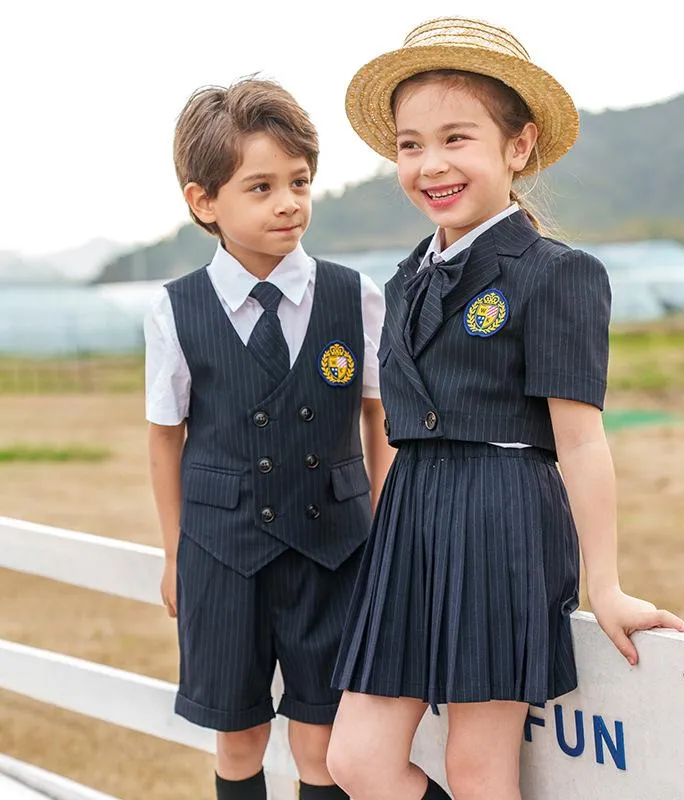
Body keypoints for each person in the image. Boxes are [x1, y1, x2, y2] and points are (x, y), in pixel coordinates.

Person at [327, 17, 684, 800]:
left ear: (517, 147)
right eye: (410, 144)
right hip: (410, 522)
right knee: (355, 759)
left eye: (457, 138)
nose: (431, 165)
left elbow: (583, 443)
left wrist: (608, 583)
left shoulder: (556, 273)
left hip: (502, 517)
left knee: (477, 769)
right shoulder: (404, 281)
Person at [144, 77, 393, 800]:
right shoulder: (175, 308)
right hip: (223, 552)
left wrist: (382, 532)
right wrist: (173, 552)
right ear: (204, 202)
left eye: (300, 181)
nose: (288, 202)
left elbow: (380, 422)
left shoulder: (355, 295)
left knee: (323, 743)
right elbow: (166, 437)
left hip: (338, 548)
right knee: (240, 738)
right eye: (260, 187)